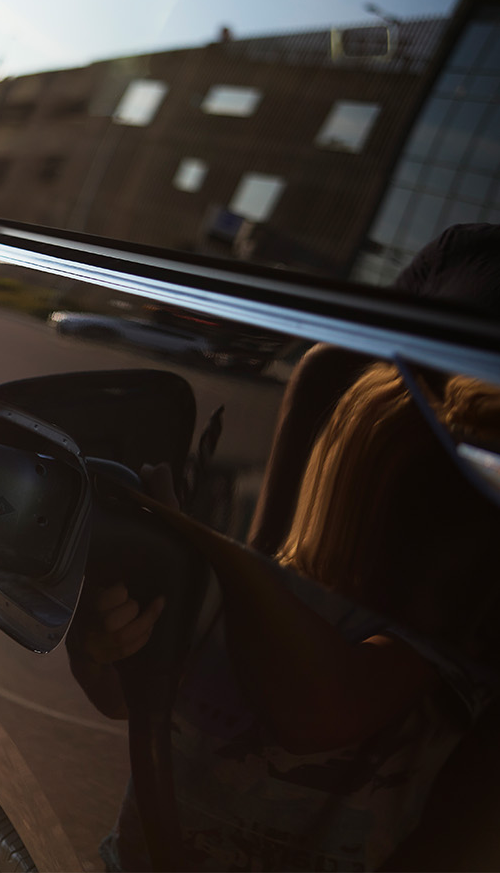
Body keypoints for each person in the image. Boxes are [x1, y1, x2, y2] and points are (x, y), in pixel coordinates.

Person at [70, 361, 500, 870]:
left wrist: (191, 542)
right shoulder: (243, 593)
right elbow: (127, 698)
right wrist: (99, 650)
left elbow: (320, 713)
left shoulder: (432, 659)